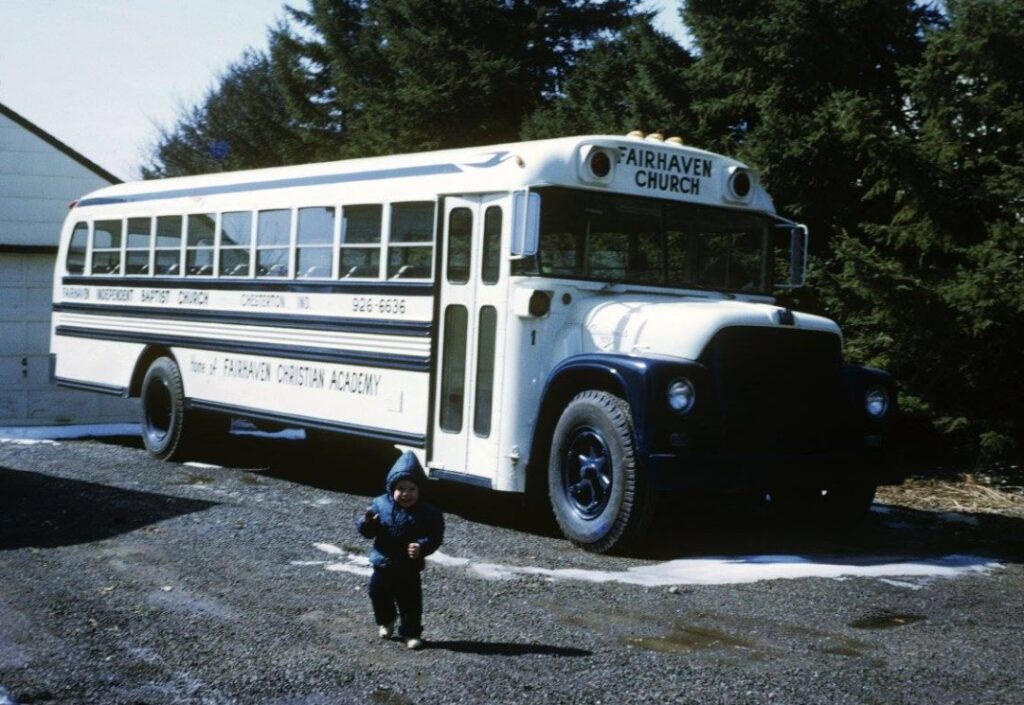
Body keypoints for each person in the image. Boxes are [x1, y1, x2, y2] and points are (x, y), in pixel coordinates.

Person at [357, 450, 444, 650]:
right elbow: (367, 531)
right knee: (377, 593)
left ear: (420, 489)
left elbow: (435, 536)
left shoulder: (427, 512)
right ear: (391, 488)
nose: (406, 494)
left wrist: (422, 546)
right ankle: (386, 620)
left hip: (409, 566)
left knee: (410, 601)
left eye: (412, 489)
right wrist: (368, 522)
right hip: (383, 562)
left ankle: (411, 633)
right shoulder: (380, 504)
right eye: (401, 488)